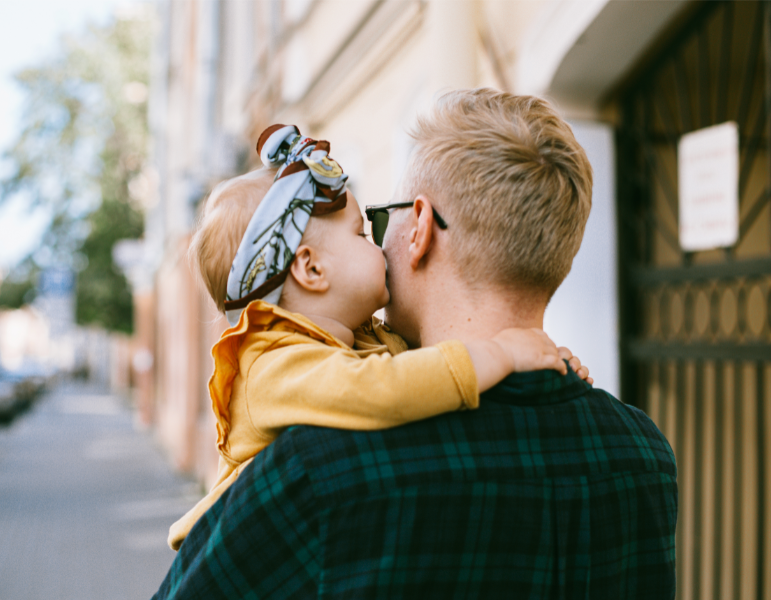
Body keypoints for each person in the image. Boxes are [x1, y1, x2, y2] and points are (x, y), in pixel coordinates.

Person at [153, 89, 676, 600]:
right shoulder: (643, 452)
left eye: (378, 223)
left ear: (420, 228)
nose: (377, 244)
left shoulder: (319, 467)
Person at [166, 123, 592, 551]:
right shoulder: (274, 365)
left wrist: (538, 358)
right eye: (361, 234)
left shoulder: (359, 341)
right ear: (311, 270)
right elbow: (388, 389)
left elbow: (420, 369)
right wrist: (502, 353)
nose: (381, 247)